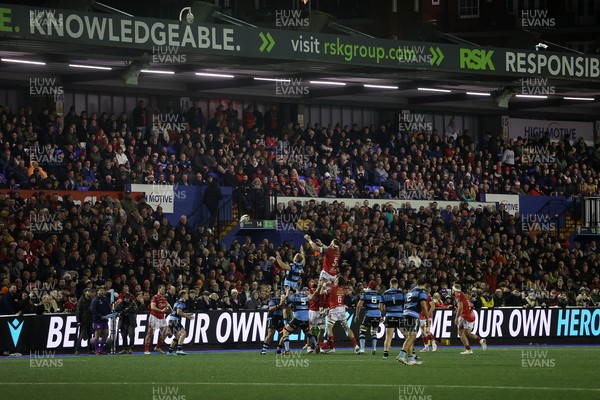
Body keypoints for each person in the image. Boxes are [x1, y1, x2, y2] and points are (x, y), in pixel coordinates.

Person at [321, 276, 359, 354]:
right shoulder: (343, 290)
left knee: (329, 328)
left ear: (337, 281)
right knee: (347, 328)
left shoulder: (332, 288)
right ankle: (356, 346)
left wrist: (324, 285)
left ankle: (332, 348)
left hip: (334, 309)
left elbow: (322, 292)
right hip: (342, 309)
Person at [397, 279, 429, 366]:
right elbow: (423, 306)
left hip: (405, 314)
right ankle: (402, 355)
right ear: (425, 284)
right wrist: (427, 318)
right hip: (413, 315)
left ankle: (411, 359)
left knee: (410, 337)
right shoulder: (422, 292)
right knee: (412, 336)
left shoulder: (410, 292)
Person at [279, 286, 318, 355]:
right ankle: (316, 345)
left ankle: (287, 350)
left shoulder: (294, 296)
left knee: (285, 331)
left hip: (298, 317)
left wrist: (287, 292)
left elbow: (286, 301)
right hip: (306, 317)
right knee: (307, 331)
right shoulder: (305, 295)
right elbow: (310, 299)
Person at [453, 284, 487, 354]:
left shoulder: (458, 295)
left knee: (461, 333)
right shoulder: (464, 297)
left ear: (454, 289)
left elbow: (460, 307)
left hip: (464, 316)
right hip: (471, 316)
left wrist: (456, 317)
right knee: (467, 333)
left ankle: (468, 350)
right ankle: (480, 340)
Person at [276, 246, 304, 324]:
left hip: (287, 286)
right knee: (291, 305)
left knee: (284, 304)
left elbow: (283, 266)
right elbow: (304, 260)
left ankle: (285, 322)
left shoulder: (293, 266)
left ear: (295, 259)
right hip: (294, 287)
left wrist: (278, 258)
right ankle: (293, 322)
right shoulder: (301, 266)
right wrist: (302, 252)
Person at [355, 280, 383, 355]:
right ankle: (374, 349)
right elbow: (381, 307)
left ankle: (362, 349)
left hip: (369, 314)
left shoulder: (365, 293)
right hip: (377, 315)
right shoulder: (379, 294)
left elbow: (359, 305)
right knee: (374, 331)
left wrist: (357, 315)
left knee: (362, 330)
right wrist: (382, 315)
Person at [144, 284, 172, 355]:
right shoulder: (155, 297)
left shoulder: (164, 298)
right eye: (163, 288)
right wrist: (161, 311)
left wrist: (171, 310)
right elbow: (152, 307)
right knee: (150, 333)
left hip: (162, 317)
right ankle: (146, 350)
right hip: (154, 316)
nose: (164, 290)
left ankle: (157, 347)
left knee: (166, 333)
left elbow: (168, 305)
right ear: (159, 289)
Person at [167, 290, 195, 355]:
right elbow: (178, 312)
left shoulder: (178, 301)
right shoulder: (181, 302)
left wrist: (187, 314)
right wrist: (187, 317)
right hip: (175, 321)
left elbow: (177, 312)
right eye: (186, 294)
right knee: (183, 333)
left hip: (171, 321)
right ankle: (179, 350)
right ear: (183, 295)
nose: (188, 295)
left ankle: (170, 351)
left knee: (177, 337)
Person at [382, 278, 404, 360]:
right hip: (399, 316)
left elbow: (381, 307)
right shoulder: (401, 293)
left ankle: (385, 354)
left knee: (388, 337)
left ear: (390, 284)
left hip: (389, 315)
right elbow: (405, 304)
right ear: (397, 284)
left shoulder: (385, 293)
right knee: (407, 336)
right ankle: (411, 353)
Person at [260, 289, 285, 355]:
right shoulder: (274, 300)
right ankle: (263, 349)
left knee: (285, 333)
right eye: (278, 293)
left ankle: (278, 349)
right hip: (273, 316)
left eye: (281, 293)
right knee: (271, 333)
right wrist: (279, 305)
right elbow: (270, 308)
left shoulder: (285, 300)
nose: (279, 294)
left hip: (280, 317)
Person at [90, 286, 111, 355]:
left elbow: (108, 308)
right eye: (101, 290)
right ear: (98, 291)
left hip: (105, 319)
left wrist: (110, 313)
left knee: (106, 334)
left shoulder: (106, 299)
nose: (102, 292)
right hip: (97, 320)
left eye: (103, 290)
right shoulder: (95, 300)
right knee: (97, 334)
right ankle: (97, 350)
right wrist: (100, 316)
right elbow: (92, 310)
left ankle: (101, 349)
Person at [75, 287, 95, 355]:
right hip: (83, 321)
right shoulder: (81, 300)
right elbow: (78, 311)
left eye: (90, 291)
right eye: (88, 291)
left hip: (90, 320)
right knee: (81, 335)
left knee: (90, 336)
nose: (90, 292)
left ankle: (89, 349)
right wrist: (78, 321)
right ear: (85, 292)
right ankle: (77, 349)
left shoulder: (91, 299)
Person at [419, 285, 439, 352]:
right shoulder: (421, 296)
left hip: (427, 316)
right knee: (423, 332)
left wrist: (427, 314)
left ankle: (434, 343)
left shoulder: (429, 297)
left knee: (427, 330)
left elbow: (433, 306)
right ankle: (426, 347)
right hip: (421, 315)